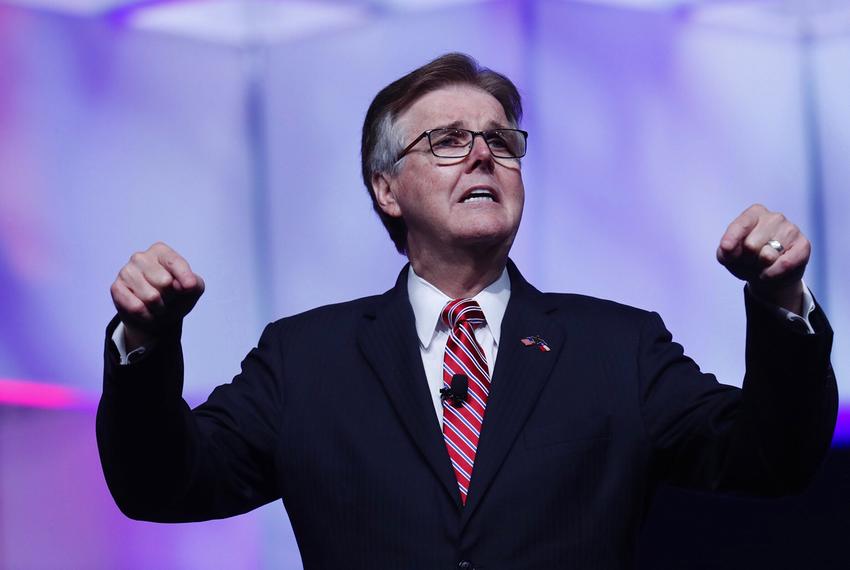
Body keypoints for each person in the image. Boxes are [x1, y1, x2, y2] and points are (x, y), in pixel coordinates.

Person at [97, 53, 837, 569]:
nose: (484, 155)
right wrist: (146, 342)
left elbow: (769, 460)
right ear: (387, 190)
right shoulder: (305, 360)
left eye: (501, 142)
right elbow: (163, 485)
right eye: (448, 141)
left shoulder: (618, 346)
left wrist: (778, 302)